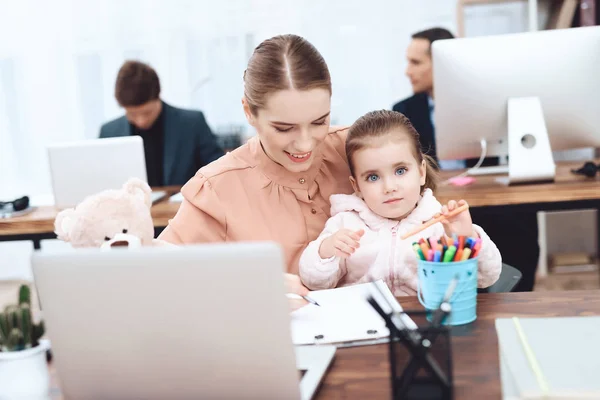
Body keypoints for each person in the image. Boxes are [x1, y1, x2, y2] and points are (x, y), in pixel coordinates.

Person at [158, 34, 355, 309]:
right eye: (284, 128)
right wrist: (248, 283)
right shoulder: (217, 188)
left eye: (320, 122)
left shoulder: (356, 149)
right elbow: (156, 274)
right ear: (249, 112)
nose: (305, 143)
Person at [393, 28, 539, 292]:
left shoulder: (490, 100)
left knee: (520, 218)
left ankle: (516, 295)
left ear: (442, 65)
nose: (407, 71)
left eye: (415, 62)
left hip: (488, 194)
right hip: (440, 200)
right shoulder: (403, 111)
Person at [299, 110, 501, 294]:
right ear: (357, 185)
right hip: (364, 324)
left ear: (421, 173)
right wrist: (326, 251)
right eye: (373, 177)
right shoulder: (344, 224)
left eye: (400, 171)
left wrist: (467, 239)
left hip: (426, 322)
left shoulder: (441, 224)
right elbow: (315, 283)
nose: (389, 187)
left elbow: (486, 277)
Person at [99, 60, 224, 187]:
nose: (140, 121)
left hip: (181, 205)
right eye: (132, 114)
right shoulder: (109, 133)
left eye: (147, 113)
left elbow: (219, 172)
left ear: (158, 97)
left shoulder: (192, 123)